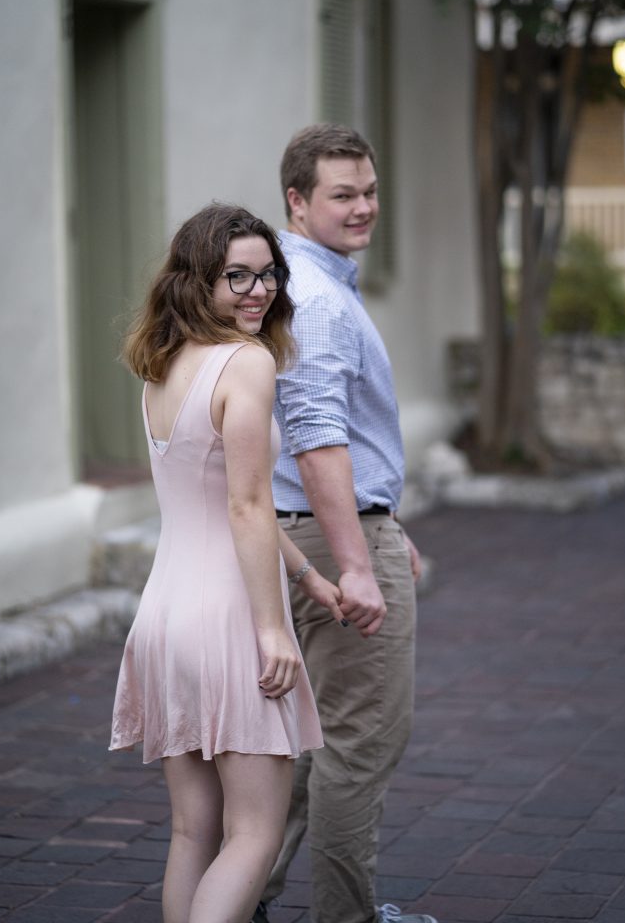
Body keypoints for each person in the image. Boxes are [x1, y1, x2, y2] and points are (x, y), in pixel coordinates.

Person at [109, 203, 346, 923]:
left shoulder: (163, 364)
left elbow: (221, 499)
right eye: (234, 276)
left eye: (267, 273)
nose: (258, 289)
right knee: (254, 834)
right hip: (228, 623)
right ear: (195, 282)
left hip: (164, 618)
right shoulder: (246, 363)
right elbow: (246, 504)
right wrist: (274, 631)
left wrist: (306, 576)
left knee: (194, 831)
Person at [259, 125, 437, 923]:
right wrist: (356, 558)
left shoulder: (302, 284)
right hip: (332, 542)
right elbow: (317, 436)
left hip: (320, 530)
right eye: (343, 194)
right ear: (296, 202)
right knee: (359, 748)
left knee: (311, 748)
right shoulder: (320, 301)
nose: (363, 206)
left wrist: (380, 521)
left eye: (368, 190)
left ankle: (243, 899)